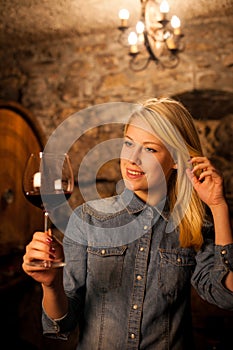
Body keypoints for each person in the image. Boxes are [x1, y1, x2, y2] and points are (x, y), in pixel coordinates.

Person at [22, 97, 233, 350]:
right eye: (128, 143)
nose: (132, 158)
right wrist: (51, 284)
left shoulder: (192, 225)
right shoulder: (87, 219)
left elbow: (224, 296)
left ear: (176, 159)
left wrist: (219, 207)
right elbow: (62, 325)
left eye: (150, 149)